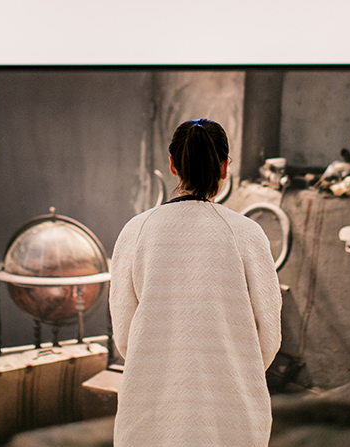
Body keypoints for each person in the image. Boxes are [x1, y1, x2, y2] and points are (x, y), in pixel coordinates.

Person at [109, 118, 282, 447]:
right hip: (232, 412)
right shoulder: (248, 234)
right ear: (225, 168)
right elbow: (269, 337)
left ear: (173, 165)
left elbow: (125, 335)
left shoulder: (136, 230)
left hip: (150, 411)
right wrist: (234, 367)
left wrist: (162, 361)